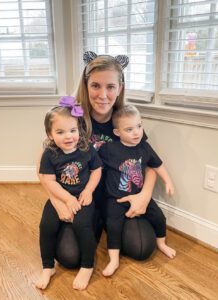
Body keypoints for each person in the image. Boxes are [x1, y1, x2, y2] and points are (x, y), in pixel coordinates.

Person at [38, 51, 159, 269]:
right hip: (83, 200)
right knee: (69, 257)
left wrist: (145, 195)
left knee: (141, 248)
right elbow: (43, 168)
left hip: (120, 199)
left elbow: (150, 163)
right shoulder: (72, 119)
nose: (103, 94)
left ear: (119, 88)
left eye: (110, 86)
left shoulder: (127, 120)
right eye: (95, 86)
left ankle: (108, 225)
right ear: (86, 86)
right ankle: (97, 225)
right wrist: (58, 201)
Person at [98, 104, 176, 277]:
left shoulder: (144, 148)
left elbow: (157, 165)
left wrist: (168, 181)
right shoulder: (109, 149)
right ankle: (114, 259)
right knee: (113, 225)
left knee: (159, 217)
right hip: (115, 199)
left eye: (139, 126)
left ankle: (161, 243)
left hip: (140, 196)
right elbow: (93, 164)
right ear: (117, 133)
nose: (136, 132)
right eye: (130, 129)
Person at [36, 96, 102, 290]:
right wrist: (66, 199)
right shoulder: (50, 154)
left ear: (79, 130)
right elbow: (48, 181)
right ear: (49, 134)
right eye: (60, 132)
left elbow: (96, 170)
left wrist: (89, 190)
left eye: (73, 130)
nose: (68, 136)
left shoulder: (86, 148)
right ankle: (48, 267)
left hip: (82, 197)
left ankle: (87, 266)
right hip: (60, 197)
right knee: (46, 226)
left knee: (83, 225)